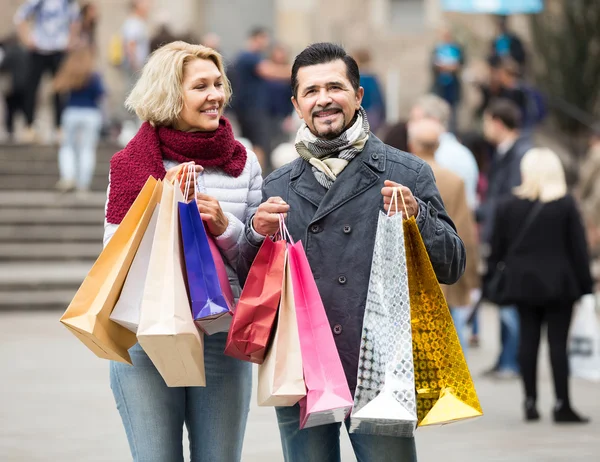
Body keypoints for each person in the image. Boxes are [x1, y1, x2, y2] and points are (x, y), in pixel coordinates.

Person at [239, 42, 466, 462]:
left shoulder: (407, 171)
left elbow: (452, 264)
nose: (323, 99)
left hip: (382, 367)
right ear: (296, 104)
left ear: (358, 95)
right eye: (310, 91)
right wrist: (254, 233)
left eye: (334, 87)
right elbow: (249, 281)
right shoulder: (278, 185)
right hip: (303, 368)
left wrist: (419, 219)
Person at [105, 41, 262, 461]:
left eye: (218, 84)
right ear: (170, 94)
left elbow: (254, 263)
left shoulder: (243, 163)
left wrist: (224, 227)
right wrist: (164, 211)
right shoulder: (131, 164)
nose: (216, 96)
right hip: (147, 336)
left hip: (220, 335)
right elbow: (114, 257)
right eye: (201, 87)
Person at [486, 148, 592, 424]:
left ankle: (530, 402)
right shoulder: (566, 204)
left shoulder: (508, 205)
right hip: (560, 285)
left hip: (523, 285)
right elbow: (579, 250)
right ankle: (562, 404)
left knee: (528, 341)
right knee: (558, 344)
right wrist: (586, 288)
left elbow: (497, 250)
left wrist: (490, 281)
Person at [408, 118, 479, 355]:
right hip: (444, 263)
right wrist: (470, 275)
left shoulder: (404, 176)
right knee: (452, 340)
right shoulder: (453, 179)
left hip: (414, 270)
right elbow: (463, 228)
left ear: (412, 144)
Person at [479, 98, 533, 379]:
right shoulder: (505, 152)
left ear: (498, 123)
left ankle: (513, 361)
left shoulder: (521, 153)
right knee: (502, 299)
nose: (485, 128)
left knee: (510, 303)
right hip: (503, 238)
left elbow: (510, 198)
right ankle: (505, 359)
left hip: (513, 241)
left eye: (487, 121)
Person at [13, 0, 81, 143]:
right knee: (31, 88)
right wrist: (27, 39)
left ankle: (59, 127)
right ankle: (29, 125)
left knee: (60, 90)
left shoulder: (68, 3)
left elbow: (76, 20)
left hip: (58, 49)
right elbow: (19, 17)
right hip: (39, 49)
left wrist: (70, 40)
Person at [231, 27, 290, 170]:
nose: (266, 43)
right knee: (258, 145)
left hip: (253, 110)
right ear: (255, 39)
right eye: (263, 39)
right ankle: (259, 179)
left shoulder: (251, 57)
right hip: (252, 110)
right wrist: (297, 70)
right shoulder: (248, 57)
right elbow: (269, 71)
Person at [410, 94, 479, 210]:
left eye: (415, 120)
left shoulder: (441, 155)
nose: (410, 125)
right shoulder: (461, 151)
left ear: (433, 121)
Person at [53, 47, 104, 195]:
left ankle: (68, 176)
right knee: (87, 149)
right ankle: (83, 183)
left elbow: (57, 89)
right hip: (91, 114)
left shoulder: (68, 73)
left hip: (71, 112)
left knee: (67, 147)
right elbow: (101, 94)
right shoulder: (94, 76)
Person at [430, 26, 464, 131]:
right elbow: (432, 65)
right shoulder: (437, 48)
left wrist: (451, 67)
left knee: (453, 113)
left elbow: (460, 64)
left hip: (453, 86)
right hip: (440, 86)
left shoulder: (456, 48)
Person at [0, 33, 29, 143]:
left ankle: (10, 131)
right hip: (25, 85)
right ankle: (28, 129)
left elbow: (2, 66)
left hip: (12, 86)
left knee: (10, 110)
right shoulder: (25, 52)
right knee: (25, 108)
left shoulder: (9, 53)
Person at [353, 48, 386, 135]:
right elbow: (380, 100)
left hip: (363, 115)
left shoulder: (359, 78)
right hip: (374, 115)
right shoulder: (374, 78)